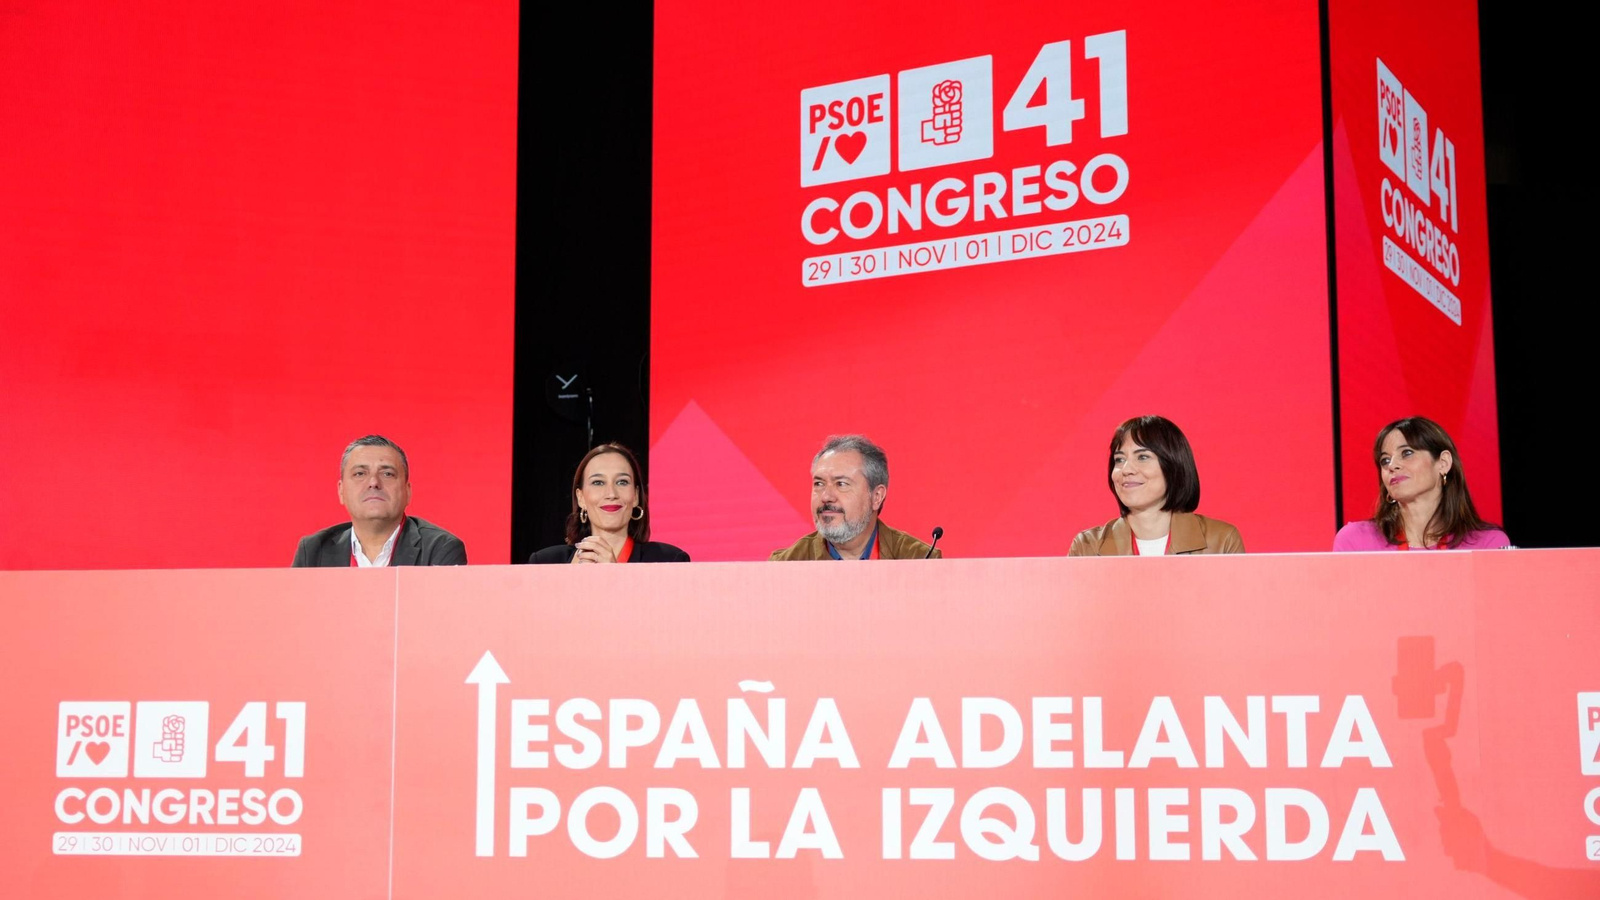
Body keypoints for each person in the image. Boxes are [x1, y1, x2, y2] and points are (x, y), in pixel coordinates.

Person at [1069, 415, 1244, 556]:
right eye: (1119, 460)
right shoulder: (1087, 547)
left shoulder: (1222, 541)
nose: (1126, 469)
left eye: (1143, 457)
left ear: (1173, 466)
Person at [1333, 416, 1509, 551]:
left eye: (1407, 453)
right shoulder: (1355, 541)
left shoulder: (1488, 544)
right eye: (1385, 460)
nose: (1392, 466)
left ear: (1443, 463)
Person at [292, 434, 467, 567]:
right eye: (360, 474)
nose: (374, 482)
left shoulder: (440, 548)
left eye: (387, 474)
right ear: (341, 491)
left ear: (408, 492)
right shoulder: (314, 551)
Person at [769, 434, 940, 560]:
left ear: (876, 497)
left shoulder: (919, 559)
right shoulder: (786, 565)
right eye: (819, 484)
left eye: (841, 484)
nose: (826, 497)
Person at [529, 443, 690, 563]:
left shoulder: (668, 560)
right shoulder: (545, 562)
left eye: (622, 482)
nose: (611, 494)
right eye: (598, 483)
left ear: (635, 496)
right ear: (581, 498)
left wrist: (614, 578)